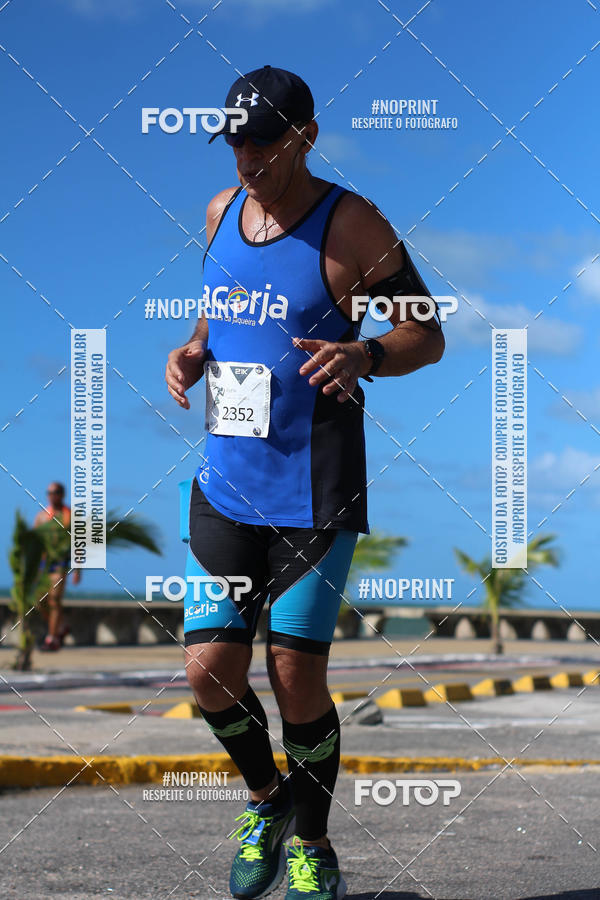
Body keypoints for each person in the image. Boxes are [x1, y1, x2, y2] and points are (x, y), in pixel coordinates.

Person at [165, 65, 444, 900]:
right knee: (209, 670)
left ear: (305, 137)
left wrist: (365, 353)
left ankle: (313, 845)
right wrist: (191, 348)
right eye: (236, 141)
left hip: (316, 487)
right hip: (226, 479)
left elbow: (425, 333)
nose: (247, 157)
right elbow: (222, 309)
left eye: (263, 141)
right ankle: (267, 800)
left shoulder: (351, 223)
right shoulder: (219, 213)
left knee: (296, 675)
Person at [34, 481, 80, 651]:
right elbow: (35, 543)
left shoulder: (70, 516)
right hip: (43, 564)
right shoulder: (42, 516)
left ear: (62, 494)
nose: (52, 495)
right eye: (49, 492)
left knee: (54, 600)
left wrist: (78, 569)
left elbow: (78, 544)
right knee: (40, 601)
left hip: (61, 562)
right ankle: (61, 628)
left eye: (55, 492)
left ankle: (52, 638)